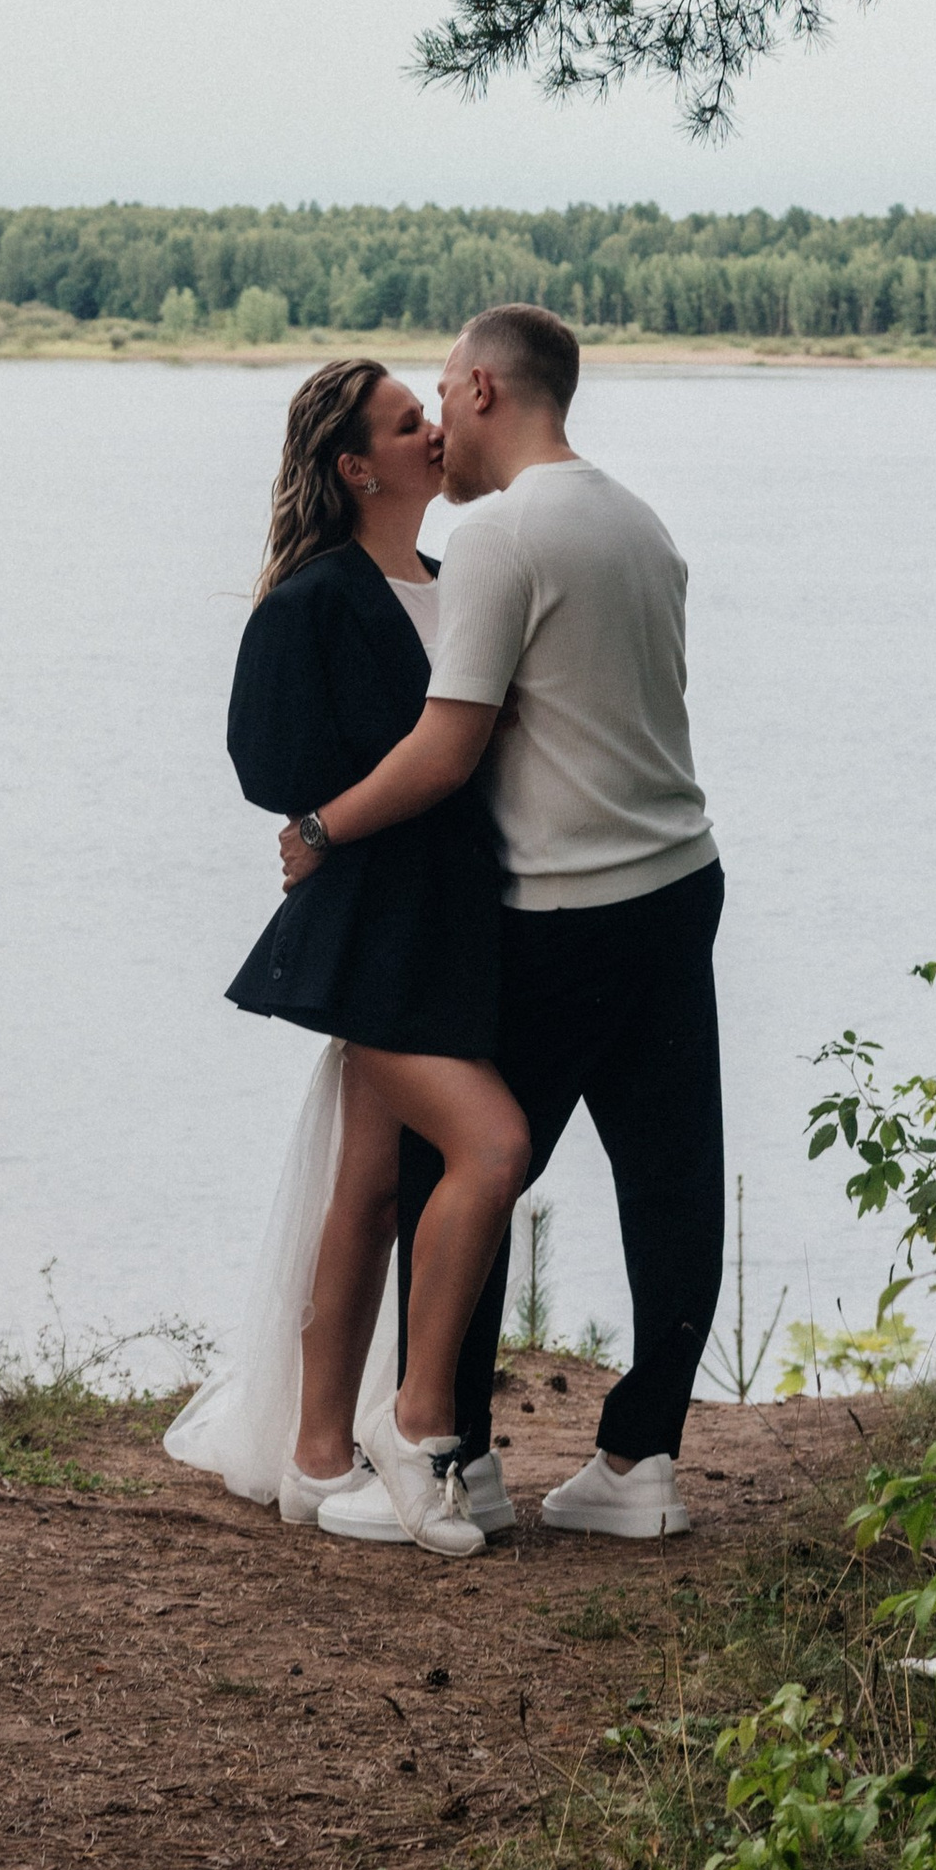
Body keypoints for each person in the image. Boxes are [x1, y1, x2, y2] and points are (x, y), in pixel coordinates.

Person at [275, 303, 725, 1546]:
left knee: (455, 1164)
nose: (435, 420)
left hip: (562, 908)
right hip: (680, 882)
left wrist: (320, 830)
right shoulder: (637, 521)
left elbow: (445, 747)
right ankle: (639, 1464)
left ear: (482, 387)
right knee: (672, 1183)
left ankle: (451, 1457)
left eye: (438, 391)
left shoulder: (498, 536)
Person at [162, 355, 531, 1556]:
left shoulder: (457, 580)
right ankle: (380, 1437)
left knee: (369, 1187)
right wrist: (334, 823)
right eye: (406, 422)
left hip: (457, 921)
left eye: (428, 413)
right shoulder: (311, 601)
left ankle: (318, 1452)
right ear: (355, 467)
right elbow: (267, 766)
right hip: (375, 926)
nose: (433, 431)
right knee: (473, 1149)